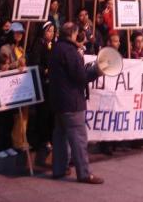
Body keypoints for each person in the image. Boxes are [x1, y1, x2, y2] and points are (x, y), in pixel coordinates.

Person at [49, 22, 104, 184]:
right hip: (72, 102)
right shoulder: (70, 51)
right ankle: (84, 173)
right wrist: (96, 71)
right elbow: (80, 77)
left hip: (58, 101)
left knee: (60, 136)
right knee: (78, 139)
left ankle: (59, 169)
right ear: (73, 34)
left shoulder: (57, 48)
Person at [0, 22, 29, 151]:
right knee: (16, 115)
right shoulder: (5, 49)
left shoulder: (22, 49)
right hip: (10, 87)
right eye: (16, 33)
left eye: (21, 33)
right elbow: (3, 67)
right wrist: (17, 63)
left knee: (24, 113)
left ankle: (23, 139)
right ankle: (16, 141)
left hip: (22, 85)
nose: (19, 35)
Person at [28, 21, 56, 151]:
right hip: (42, 83)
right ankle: (43, 139)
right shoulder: (38, 45)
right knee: (43, 113)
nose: (51, 33)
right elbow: (34, 63)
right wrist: (44, 70)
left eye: (53, 31)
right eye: (49, 31)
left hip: (52, 84)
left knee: (51, 112)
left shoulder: (54, 45)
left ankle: (51, 137)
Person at [0, 53, 18, 159]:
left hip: (9, 105)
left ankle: (8, 146)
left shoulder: (9, 73)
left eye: (7, 64)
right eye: (4, 64)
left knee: (9, 125)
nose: (6, 66)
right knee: (1, 127)